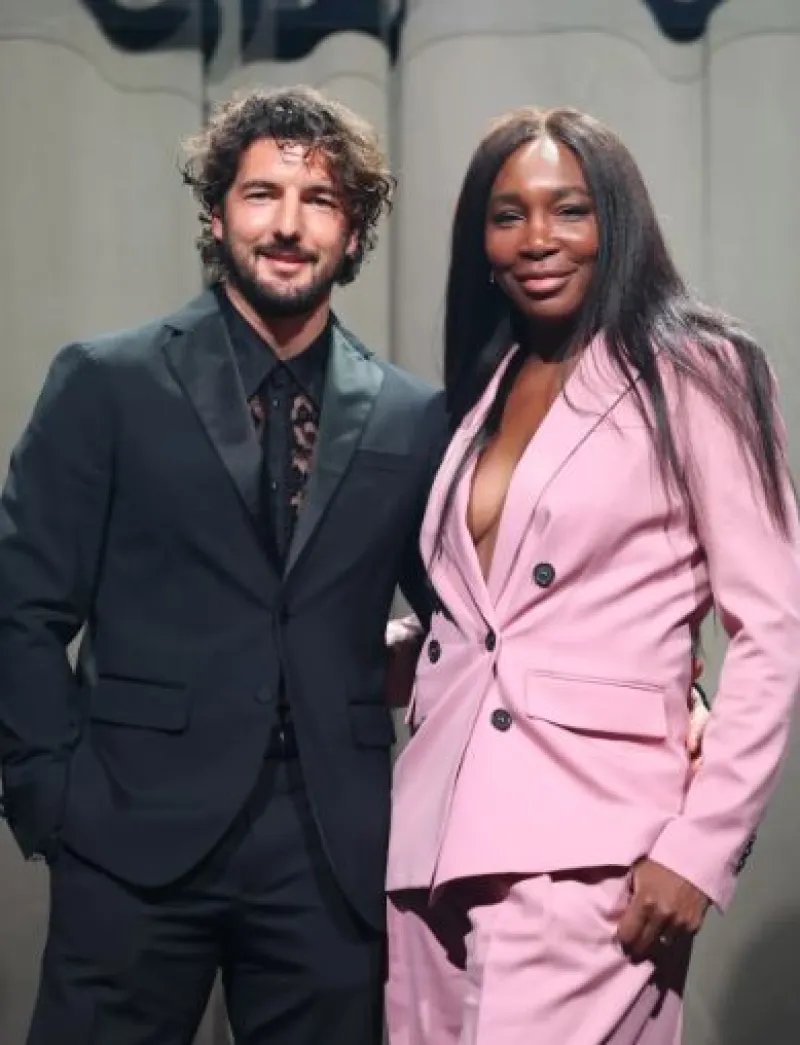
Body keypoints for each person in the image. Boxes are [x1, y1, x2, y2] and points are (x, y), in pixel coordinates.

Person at [0, 86, 446, 1045]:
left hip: (329, 846)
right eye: (261, 194)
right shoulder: (107, 382)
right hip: (126, 828)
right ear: (216, 212)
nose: (288, 224)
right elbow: (21, 606)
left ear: (353, 231)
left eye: (320, 200)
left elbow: (471, 611)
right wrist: (50, 797)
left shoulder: (413, 417)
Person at [384, 107, 800, 1044]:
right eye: (508, 215)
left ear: (616, 221)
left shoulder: (700, 369)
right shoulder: (485, 388)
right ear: (481, 241)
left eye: (569, 209)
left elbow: (773, 627)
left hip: (591, 849)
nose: (538, 238)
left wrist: (701, 847)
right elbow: (492, 618)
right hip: (431, 847)